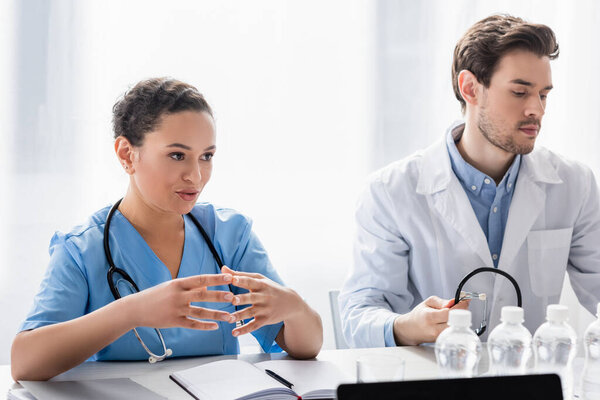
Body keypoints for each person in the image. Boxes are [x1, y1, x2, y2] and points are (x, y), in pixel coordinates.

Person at [11, 78, 323, 380]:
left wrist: (295, 309)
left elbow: (303, 346)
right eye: (177, 155)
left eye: (206, 156)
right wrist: (132, 311)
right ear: (126, 154)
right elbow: (25, 362)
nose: (196, 177)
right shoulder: (82, 249)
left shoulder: (230, 235)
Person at [339, 15, 600, 348]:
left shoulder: (574, 185)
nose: (537, 109)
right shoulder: (391, 192)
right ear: (470, 88)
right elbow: (358, 314)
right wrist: (407, 326)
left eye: (544, 95)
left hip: (530, 387)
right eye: (520, 92)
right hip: (432, 384)